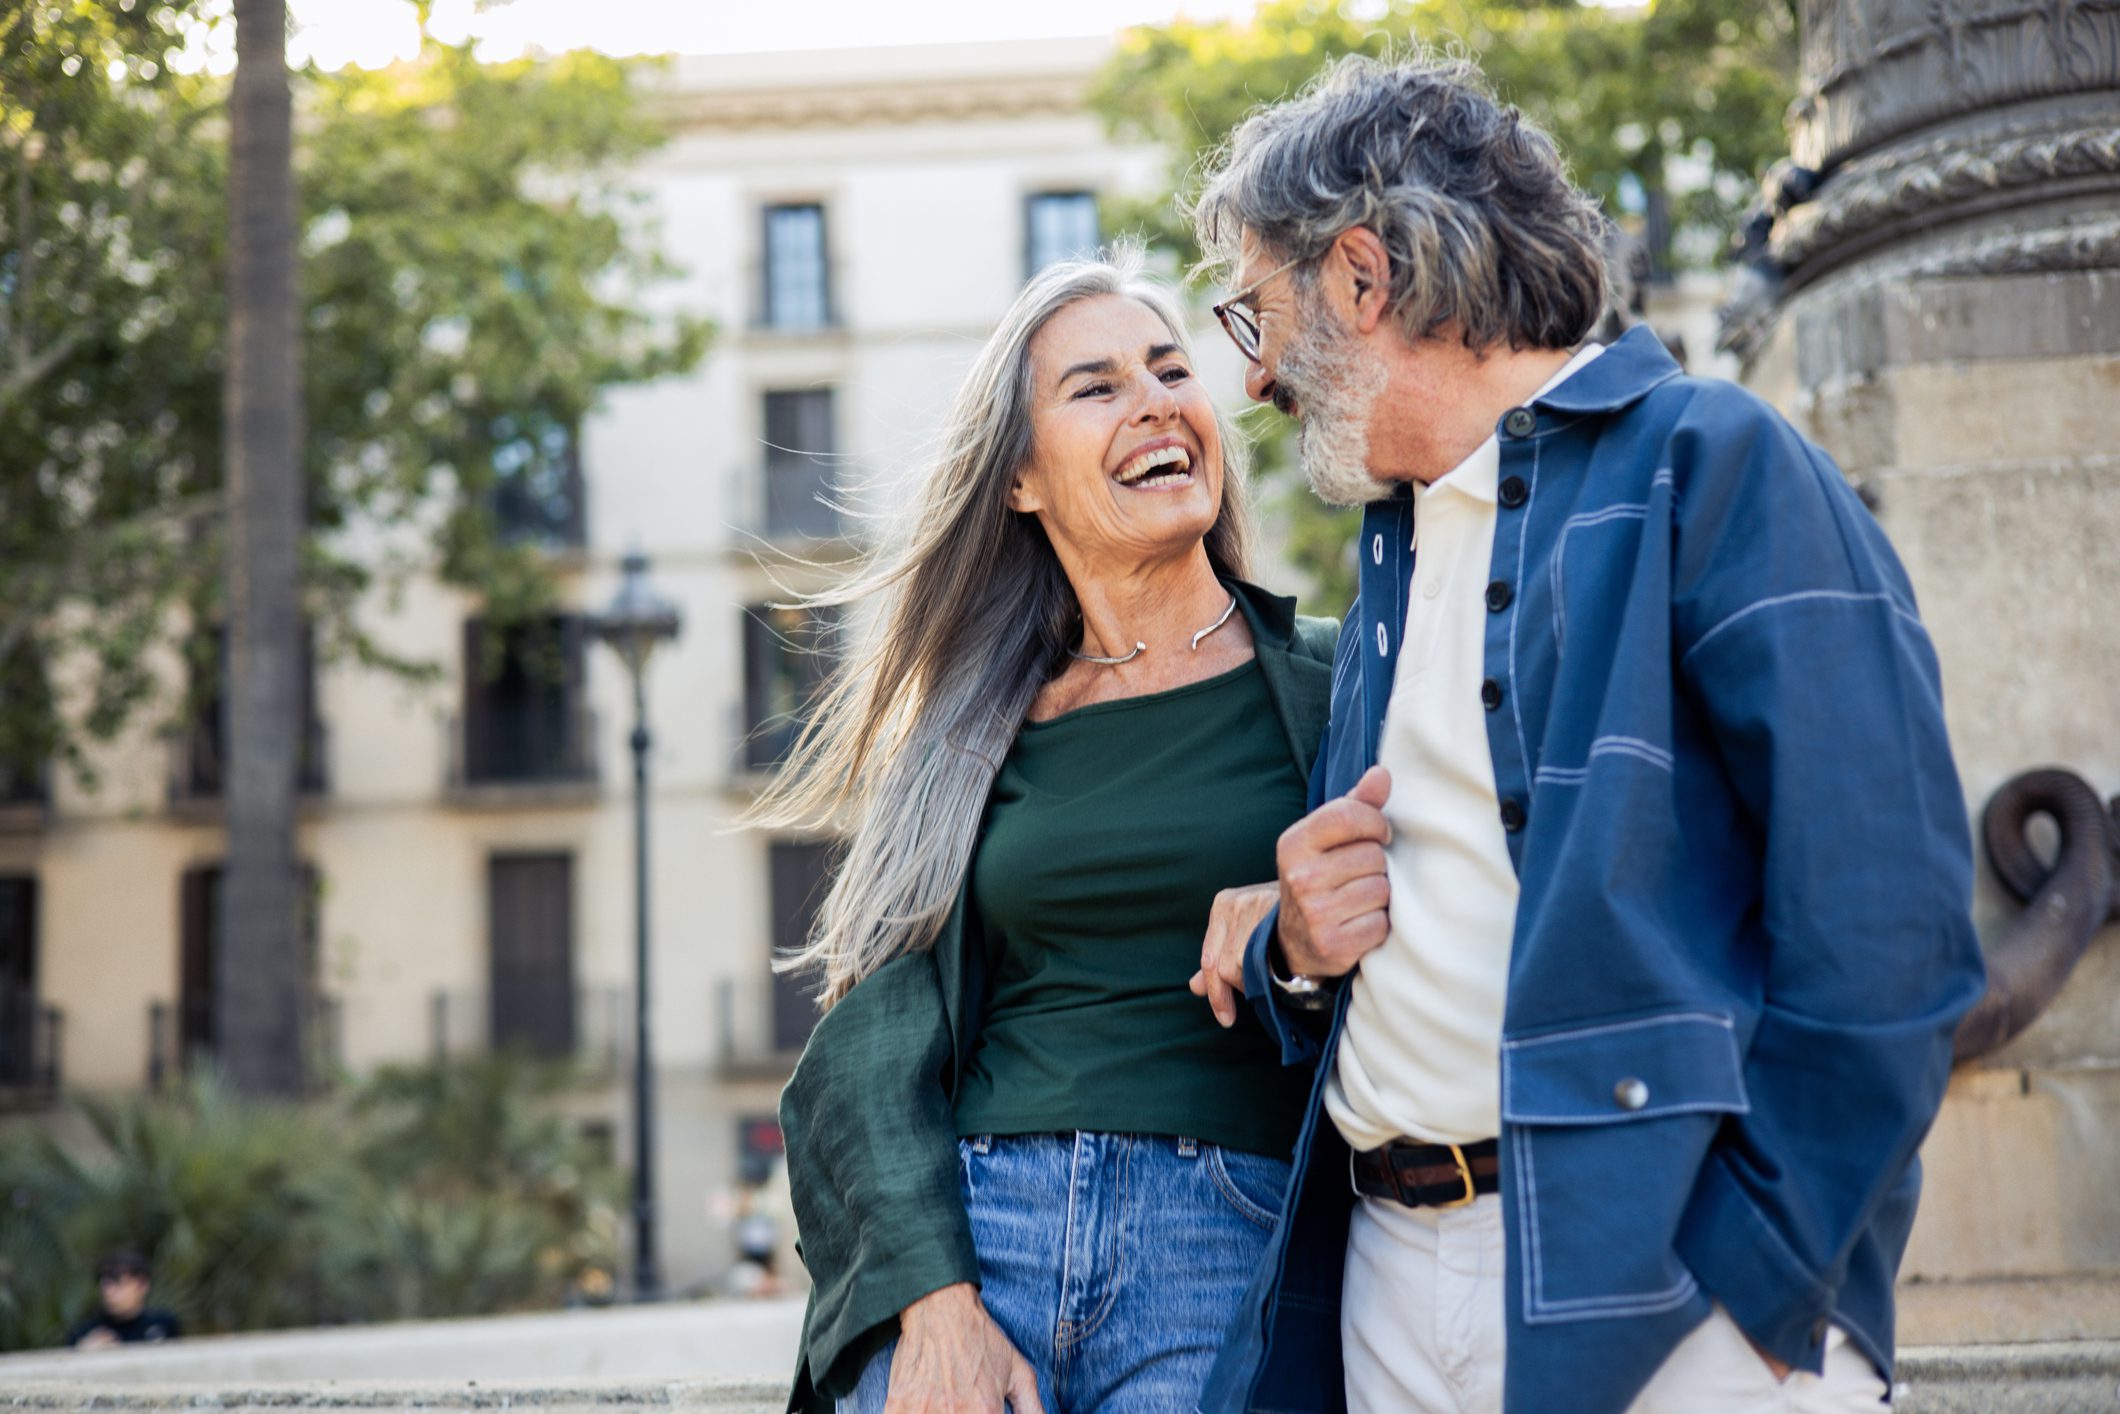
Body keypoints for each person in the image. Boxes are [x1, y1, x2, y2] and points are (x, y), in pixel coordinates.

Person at [1188, 54, 1986, 1414]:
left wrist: (1756, 1279)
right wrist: (1294, 951)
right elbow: (1414, 932)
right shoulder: (1388, 562)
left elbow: (1888, 924)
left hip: (1674, 1299)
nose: (1255, 375)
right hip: (1385, 1286)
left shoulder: (1713, 461)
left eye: (1255, 313)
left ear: (1363, 277)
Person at [758, 249, 1339, 1412]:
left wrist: (1294, 928)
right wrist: (932, 1301)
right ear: (1019, 479)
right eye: (1097, 385)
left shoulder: (1336, 680)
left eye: (1169, 368)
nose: (1155, 401)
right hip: (980, 1236)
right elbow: (866, 1035)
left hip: (1225, 1240)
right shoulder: (966, 729)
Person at [67, 1250, 180, 1350]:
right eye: (105, 1285)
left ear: (142, 1285)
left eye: (118, 1283)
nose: (109, 1292)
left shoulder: (163, 1323)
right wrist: (83, 1354)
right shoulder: (84, 1332)